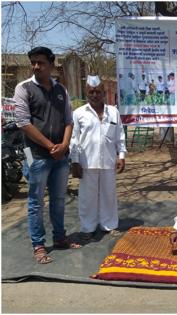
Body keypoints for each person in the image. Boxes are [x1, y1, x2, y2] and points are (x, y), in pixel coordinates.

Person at [13, 46, 81, 264]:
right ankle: (39, 245)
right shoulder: (23, 88)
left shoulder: (61, 90)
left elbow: (69, 121)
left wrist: (64, 145)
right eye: (33, 62)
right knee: (35, 202)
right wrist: (52, 146)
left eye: (41, 62)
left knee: (59, 199)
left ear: (51, 64)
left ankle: (60, 238)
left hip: (60, 156)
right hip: (36, 155)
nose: (36, 66)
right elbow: (23, 122)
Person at [70, 75, 127, 240]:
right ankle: (88, 228)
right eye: (91, 92)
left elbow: (119, 135)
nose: (94, 95)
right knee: (88, 198)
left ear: (104, 92)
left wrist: (121, 155)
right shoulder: (79, 113)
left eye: (98, 91)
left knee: (109, 195)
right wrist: (74, 161)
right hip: (86, 162)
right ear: (86, 93)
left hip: (109, 161)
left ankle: (109, 225)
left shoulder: (113, 112)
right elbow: (74, 139)